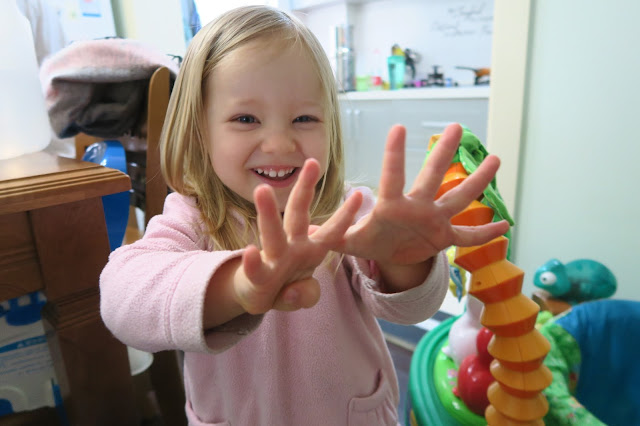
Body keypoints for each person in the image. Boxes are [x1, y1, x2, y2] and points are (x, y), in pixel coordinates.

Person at [99, 5, 509, 425]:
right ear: (200, 131)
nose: (279, 143)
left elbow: (412, 311)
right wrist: (239, 287)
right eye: (246, 118)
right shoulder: (193, 217)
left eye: (304, 118)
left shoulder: (351, 212)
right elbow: (120, 300)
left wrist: (406, 264)